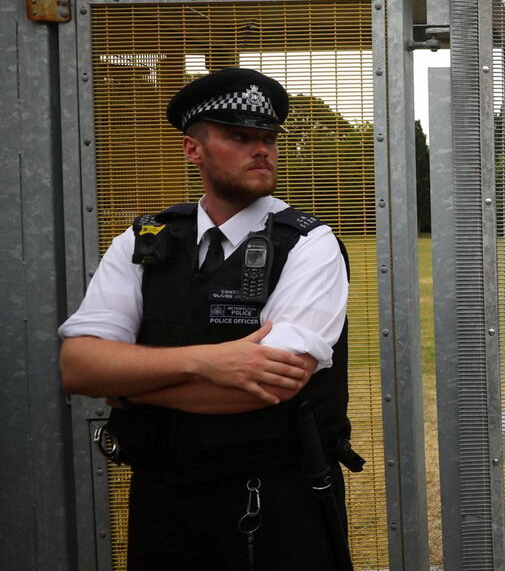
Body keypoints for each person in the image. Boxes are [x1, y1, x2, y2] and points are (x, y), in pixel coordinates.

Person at [58, 68, 360, 570]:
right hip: (161, 498)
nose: (260, 149)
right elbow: (79, 367)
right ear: (192, 149)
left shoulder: (309, 243)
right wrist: (213, 362)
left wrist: (128, 387)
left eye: (267, 138)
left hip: (274, 499)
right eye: (239, 136)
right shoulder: (144, 240)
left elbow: (270, 382)